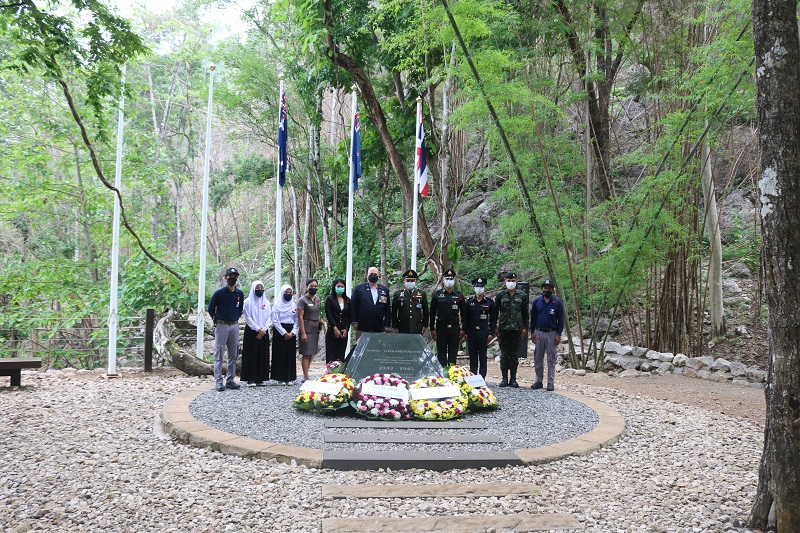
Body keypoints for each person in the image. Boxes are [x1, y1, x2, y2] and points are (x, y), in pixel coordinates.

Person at [207, 267, 245, 392]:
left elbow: (240, 309)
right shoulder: (219, 294)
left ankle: (230, 380)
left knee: (233, 354)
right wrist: (216, 319)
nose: (232, 278)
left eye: (235, 276)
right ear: (225, 277)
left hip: (234, 325)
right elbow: (211, 308)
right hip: (221, 325)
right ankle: (218, 381)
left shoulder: (240, 294)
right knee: (219, 354)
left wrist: (235, 318)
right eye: (230, 276)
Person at [494, 272, 529, 388]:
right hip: (503, 329)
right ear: (505, 282)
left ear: (516, 281)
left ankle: (513, 379)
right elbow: (495, 313)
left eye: (513, 281)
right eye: (509, 281)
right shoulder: (500, 295)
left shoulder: (522, 296)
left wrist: (525, 327)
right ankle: (504, 378)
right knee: (504, 354)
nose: (511, 283)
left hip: (516, 329)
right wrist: (495, 327)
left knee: (514, 355)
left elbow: (525, 313)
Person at [530, 279, 564, 391]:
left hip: (551, 333)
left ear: (553, 290)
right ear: (542, 289)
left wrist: (559, 334)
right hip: (539, 332)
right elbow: (533, 318)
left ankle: (550, 382)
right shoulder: (537, 302)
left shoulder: (557, 303)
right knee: (538, 357)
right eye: (545, 288)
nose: (547, 290)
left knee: (551, 358)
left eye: (549, 288)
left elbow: (561, 320)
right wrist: (532, 332)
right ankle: (538, 381)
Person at [429, 268, 466, 367]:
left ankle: (452, 374)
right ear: (443, 280)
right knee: (441, 353)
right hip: (441, 328)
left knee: (453, 352)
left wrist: (463, 329)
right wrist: (432, 329)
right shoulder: (437, 295)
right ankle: (442, 375)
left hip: (454, 328)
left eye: (451, 279)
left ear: (454, 281)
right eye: (447, 279)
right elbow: (432, 313)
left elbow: (464, 313)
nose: (449, 281)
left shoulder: (459, 296)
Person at [464, 277, 497, 379]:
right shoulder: (469, 302)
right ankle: (473, 376)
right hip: (472, 331)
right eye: (477, 287)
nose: (479, 289)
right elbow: (465, 318)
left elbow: (493, 319)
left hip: (483, 332)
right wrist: (465, 332)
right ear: (474, 288)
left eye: (481, 287)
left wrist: (491, 333)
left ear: (484, 288)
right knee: (473, 355)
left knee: (483, 355)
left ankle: (482, 377)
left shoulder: (489, 302)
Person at [241, 280, 271, 386]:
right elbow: (247, 317)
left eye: (261, 288)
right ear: (253, 289)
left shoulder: (266, 303)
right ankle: (250, 378)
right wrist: (258, 329)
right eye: (257, 288)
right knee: (251, 354)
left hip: (264, 331)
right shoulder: (247, 302)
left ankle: (260, 378)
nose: (260, 290)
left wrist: (264, 329)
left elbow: (269, 317)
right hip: (251, 331)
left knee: (262, 354)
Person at [350, 266, 391, 339]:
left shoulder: (384, 290)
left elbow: (387, 309)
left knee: (377, 348)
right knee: (361, 348)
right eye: (371, 274)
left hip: (378, 326)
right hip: (362, 325)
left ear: (379, 276)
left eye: (375, 274)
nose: (373, 276)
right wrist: (354, 321)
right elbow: (353, 305)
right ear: (367, 275)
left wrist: (387, 324)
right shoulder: (358, 288)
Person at [297, 278, 325, 382]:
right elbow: (300, 317)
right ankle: (305, 376)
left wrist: (324, 323)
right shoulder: (302, 300)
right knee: (306, 353)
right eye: (311, 286)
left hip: (315, 329)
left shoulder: (317, 300)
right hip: (306, 328)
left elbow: (317, 315)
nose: (313, 288)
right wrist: (303, 333)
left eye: (315, 286)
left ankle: (307, 372)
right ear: (307, 287)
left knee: (311, 353)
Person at [270, 284, 299, 384]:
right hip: (280, 331)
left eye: (290, 293)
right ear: (282, 293)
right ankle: (280, 377)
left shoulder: (293, 305)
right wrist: (284, 332)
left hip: (291, 331)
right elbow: (275, 320)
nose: (288, 295)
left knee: (290, 354)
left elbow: (296, 320)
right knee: (280, 353)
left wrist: (293, 332)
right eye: (286, 293)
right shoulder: (276, 305)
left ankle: (289, 377)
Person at [392, 269, 429, 335]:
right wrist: (395, 326)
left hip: (417, 326)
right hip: (402, 326)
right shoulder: (398, 294)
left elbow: (426, 311)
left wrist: (425, 325)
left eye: (412, 281)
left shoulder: (421, 294)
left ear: (415, 282)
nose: (410, 282)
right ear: (404, 282)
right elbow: (394, 312)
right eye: (408, 281)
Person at [324, 278, 351, 363]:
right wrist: (335, 328)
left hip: (343, 330)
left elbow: (349, 316)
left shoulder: (347, 300)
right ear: (334, 287)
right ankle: (330, 374)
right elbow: (328, 314)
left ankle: (340, 375)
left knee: (341, 355)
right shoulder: (329, 299)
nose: (340, 288)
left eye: (342, 286)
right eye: (338, 286)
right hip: (332, 329)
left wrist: (346, 329)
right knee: (331, 354)